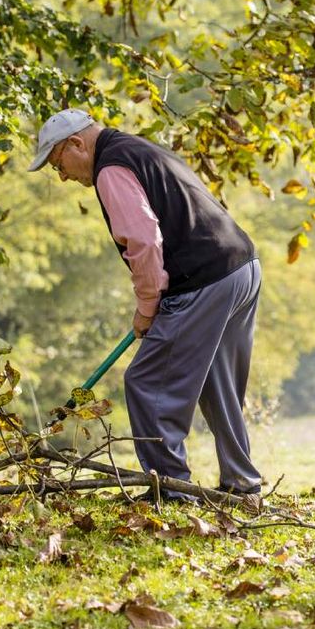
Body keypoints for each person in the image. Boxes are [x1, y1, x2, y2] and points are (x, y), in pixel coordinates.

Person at [28, 108, 263, 503]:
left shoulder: (110, 168)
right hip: (240, 267)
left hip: (201, 280)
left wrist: (148, 305)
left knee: (147, 382)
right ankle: (242, 485)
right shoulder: (139, 148)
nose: (63, 175)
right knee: (216, 381)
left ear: (75, 144)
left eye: (58, 164)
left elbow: (142, 240)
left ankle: (169, 488)